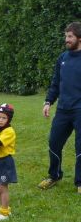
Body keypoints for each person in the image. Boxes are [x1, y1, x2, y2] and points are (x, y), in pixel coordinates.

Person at [38, 22, 81, 192]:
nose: (66, 40)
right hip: (63, 109)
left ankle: (79, 183)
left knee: (80, 147)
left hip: (80, 110)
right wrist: (48, 102)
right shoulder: (62, 58)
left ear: (79, 38)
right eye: (66, 36)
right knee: (54, 142)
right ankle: (54, 176)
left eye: (70, 36)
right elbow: (56, 83)